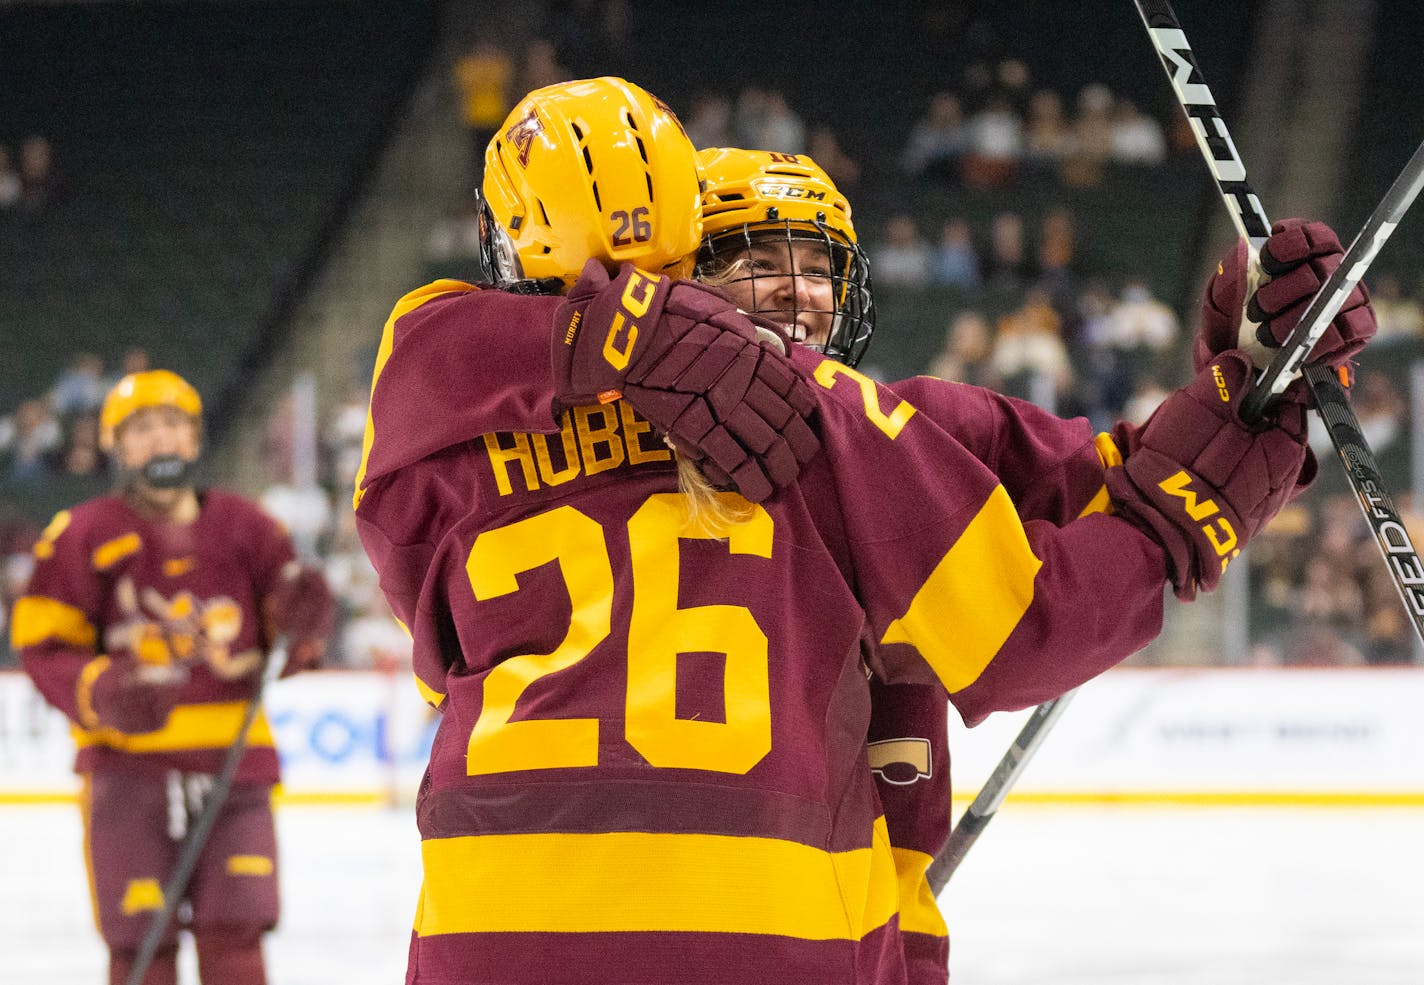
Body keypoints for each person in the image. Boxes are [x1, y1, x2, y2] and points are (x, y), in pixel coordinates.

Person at [353, 82, 1370, 985]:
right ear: (672, 268)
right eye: (749, 257)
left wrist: (1229, 384)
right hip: (779, 928)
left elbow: (1103, 471)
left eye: (814, 267)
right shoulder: (839, 423)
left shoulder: (454, 425)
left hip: (481, 923)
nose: (793, 292)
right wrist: (1240, 435)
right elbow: (1052, 596)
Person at [12, 369, 336, 985]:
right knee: (139, 947)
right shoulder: (79, 535)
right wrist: (102, 691)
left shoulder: (250, 527)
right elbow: (42, 645)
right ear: (117, 446)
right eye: (141, 429)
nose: (159, 440)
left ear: (193, 440)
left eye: (172, 425)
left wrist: (303, 623)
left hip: (235, 770)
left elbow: (286, 641)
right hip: (126, 772)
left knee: (237, 941)